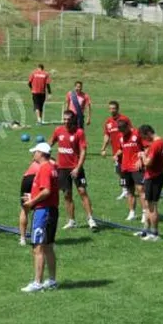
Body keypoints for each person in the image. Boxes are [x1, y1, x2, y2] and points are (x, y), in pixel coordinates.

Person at [49, 111, 98, 230]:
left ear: (73, 120)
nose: (66, 121)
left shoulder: (79, 132)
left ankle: (90, 219)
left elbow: (83, 151)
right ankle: (71, 221)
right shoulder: (58, 130)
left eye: (68, 119)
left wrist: (78, 168)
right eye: (64, 119)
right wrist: (47, 157)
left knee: (82, 191)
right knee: (67, 194)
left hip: (76, 168)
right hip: (62, 169)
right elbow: (49, 143)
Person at [21, 142, 58, 293]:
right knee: (48, 246)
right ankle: (52, 281)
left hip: (43, 211)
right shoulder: (52, 167)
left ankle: (37, 283)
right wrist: (33, 195)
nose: (33, 154)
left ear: (41, 153)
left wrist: (32, 202)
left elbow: (46, 191)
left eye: (35, 152)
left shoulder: (44, 168)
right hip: (51, 210)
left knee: (38, 247)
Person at [139, 125, 163, 242]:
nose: (144, 140)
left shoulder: (155, 145)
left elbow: (148, 163)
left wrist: (142, 155)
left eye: (144, 137)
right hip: (156, 176)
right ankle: (146, 230)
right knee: (147, 205)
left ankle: (154, 233)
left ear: (148, 133)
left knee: (152, 207)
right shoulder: (162, 142)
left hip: (153, 178)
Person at [100, 101, 132, 200]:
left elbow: (131, 132)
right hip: (115, 151)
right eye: (110, 108)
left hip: (126, 150)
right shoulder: (108, 122)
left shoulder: (124, 119)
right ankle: (125, 190)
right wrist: (103, 148)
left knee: (126, 170)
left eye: (113, 108)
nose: (112, 110)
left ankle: (129, 189)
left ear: (117, 109)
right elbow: (107, 135)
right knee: (119, 170)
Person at [116, 120, 146, 223]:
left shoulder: (137, 134)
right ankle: (132, 213)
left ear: (128, 127)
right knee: (129, 191)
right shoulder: (120, 137)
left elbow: (145, 148)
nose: (122, 132)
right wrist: (117, 154)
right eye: (120, 131)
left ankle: (144, 213)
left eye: (123, 130)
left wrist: (140, 159)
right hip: (125, 167)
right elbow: (121, 149)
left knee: (141, 189)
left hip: (137, 167)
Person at [19, 158, 42, 247]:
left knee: (25, 209)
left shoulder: (37, 158)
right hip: (36, 177)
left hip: (28, 178)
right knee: (39, 207)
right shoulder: (50, 161)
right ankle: (37, 237)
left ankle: (23, 238)